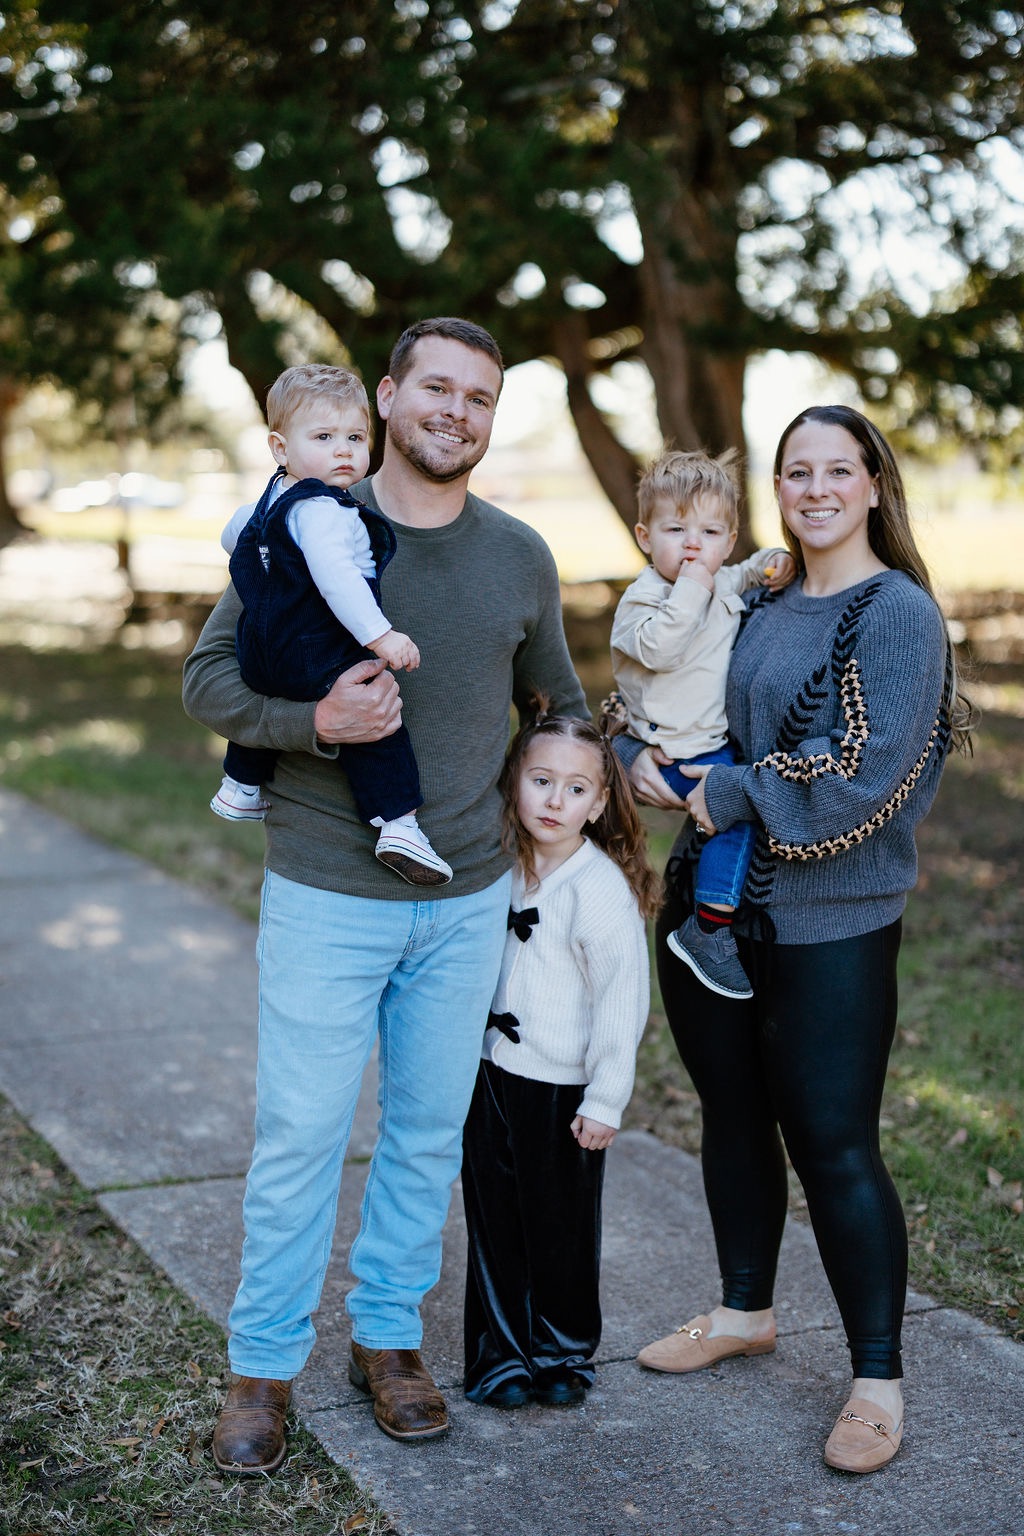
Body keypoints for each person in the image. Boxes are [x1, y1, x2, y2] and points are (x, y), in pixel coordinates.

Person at [182, 317, 586, 1473]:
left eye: (479, 397)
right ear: (387, 396)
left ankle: (388, 1339)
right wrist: (313, 720)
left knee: (422, 1135)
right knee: (302, 1134)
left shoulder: (518, 555)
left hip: (466, 898)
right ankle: (262, 1367)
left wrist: (608, 775)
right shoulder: (301, 522)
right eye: (436, 388)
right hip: (326, 891)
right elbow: (209, 679)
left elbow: (554, 704)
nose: (456, 412)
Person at [624, 405, 973, 1475]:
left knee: (833, 1144)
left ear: (873, 484)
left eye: (837, 470)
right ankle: (744, 1311)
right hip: (709, 908)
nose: (815, 489)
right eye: (795, 472)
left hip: (832, 926)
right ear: (775, 491)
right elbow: (670, 692)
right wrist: (632, 753)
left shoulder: (896, 613)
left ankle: (876, 1379)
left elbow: (867, 775)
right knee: (731, 1118)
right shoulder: (760, 595)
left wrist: (723, 791)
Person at [461, 708, 659, 1410]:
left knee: (561, 1228)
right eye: (540, 780)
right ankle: (499, 1360)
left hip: (562, 1090)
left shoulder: (597, 888)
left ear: (599, 804)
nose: (555, 800)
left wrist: (605, 1098)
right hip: (491, 1076)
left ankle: (561, 1353)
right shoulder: (498, 867)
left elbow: (620, 1002)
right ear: (513, 781)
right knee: (494, 1224)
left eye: (576, 789)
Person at [209, 363, 451, 886]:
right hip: (317, 646)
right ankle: (399, 825)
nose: (343, 451)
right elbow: (338, 579)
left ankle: (241, 787)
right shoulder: (323, 509)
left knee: (268, 692)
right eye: (323, 438)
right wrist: (380, 635)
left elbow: (233, 538)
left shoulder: (268, 501)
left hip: (261, 651)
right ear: (280, 448)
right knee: (376, 721)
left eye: (355, 438)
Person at [610, 448, 795, 998]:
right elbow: (661, 649)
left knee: (733, 813)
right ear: (645, 537)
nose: (694, 545)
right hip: (669, 753)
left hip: (706, 746)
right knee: (733, 817)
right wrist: (693, 587)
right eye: (676, 530)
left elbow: (745, 574)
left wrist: (770, 562)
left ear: (728, 540)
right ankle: (709, 930)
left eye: (710, 533)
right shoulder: (641, 601)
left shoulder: (720, 578)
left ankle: (707, 921)